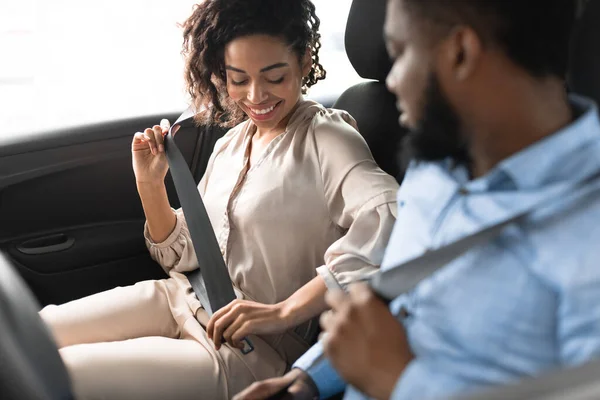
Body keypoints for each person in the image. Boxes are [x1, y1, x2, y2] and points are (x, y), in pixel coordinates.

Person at [234, 0, 600, 399]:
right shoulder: (431, 173)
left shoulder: (587, 239)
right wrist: (305, 382)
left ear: (460, 52)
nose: (391, 81)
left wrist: (402, 382)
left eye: (399, 54)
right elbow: (395, 306)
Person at [38, 1, 399, 399]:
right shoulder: (231, 143)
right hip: (181, 298)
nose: (256, 95)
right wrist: (150, 184)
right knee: (31, 333)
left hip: (245, 350)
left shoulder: (328, 138)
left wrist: (284, 312)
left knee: (58, 373)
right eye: (238, 79)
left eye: (274, 76)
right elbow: (187, 256)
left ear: (303, 60)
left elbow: (390, 221)